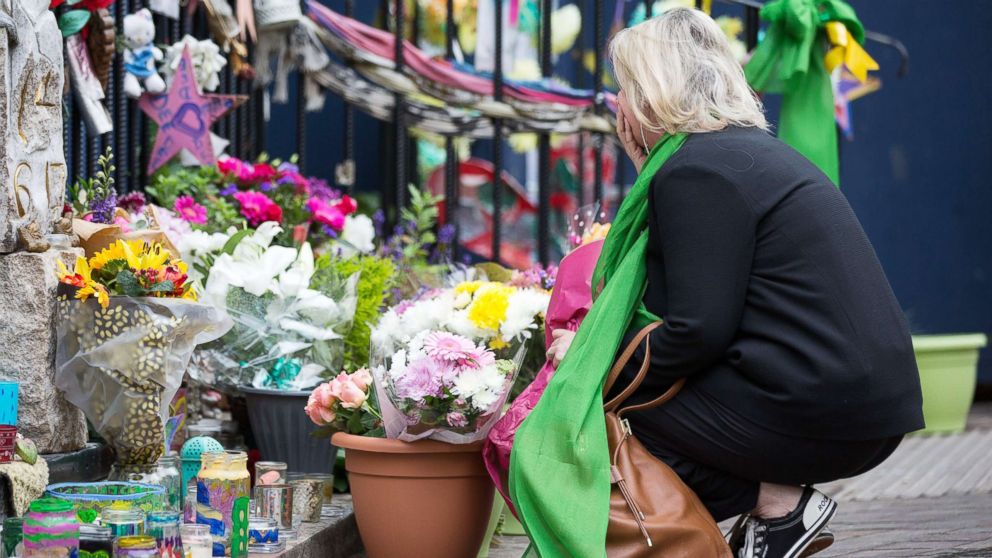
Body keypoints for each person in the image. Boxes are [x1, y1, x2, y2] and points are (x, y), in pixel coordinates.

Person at [545, 8, 923, 558]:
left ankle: (776, 504)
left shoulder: (697, 171)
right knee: (628, 386)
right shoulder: (735, 155)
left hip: (824, 406)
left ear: (652, 95)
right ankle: (777, 508)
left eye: (624, 89)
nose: (618, 107)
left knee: (598, 408)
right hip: (850, 399)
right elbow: (685, 305)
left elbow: (695, 332)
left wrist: (590, 357)